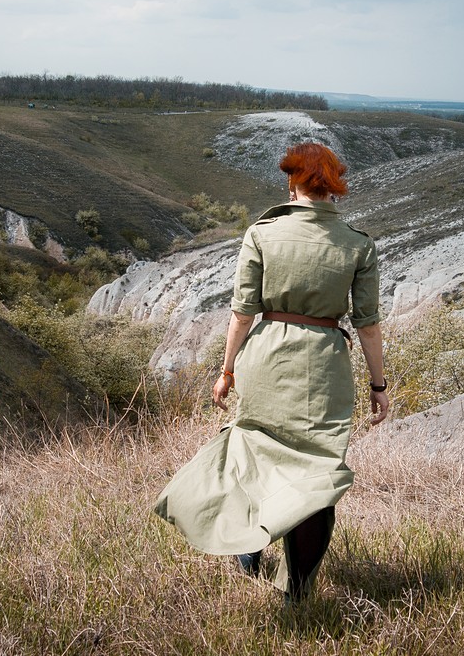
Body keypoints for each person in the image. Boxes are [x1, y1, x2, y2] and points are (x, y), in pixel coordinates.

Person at [154, 141, 389, 604]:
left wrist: (227, 371)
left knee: (257, 459)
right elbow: (368, 324)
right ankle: (296, 592)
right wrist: (378, 385)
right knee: (316, 478)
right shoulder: (358, 245)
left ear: (292, 181)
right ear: (335, 187)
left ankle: (248, 547)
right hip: (324, 368)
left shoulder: (262, 234)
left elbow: (242, 313)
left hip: (266, 358)